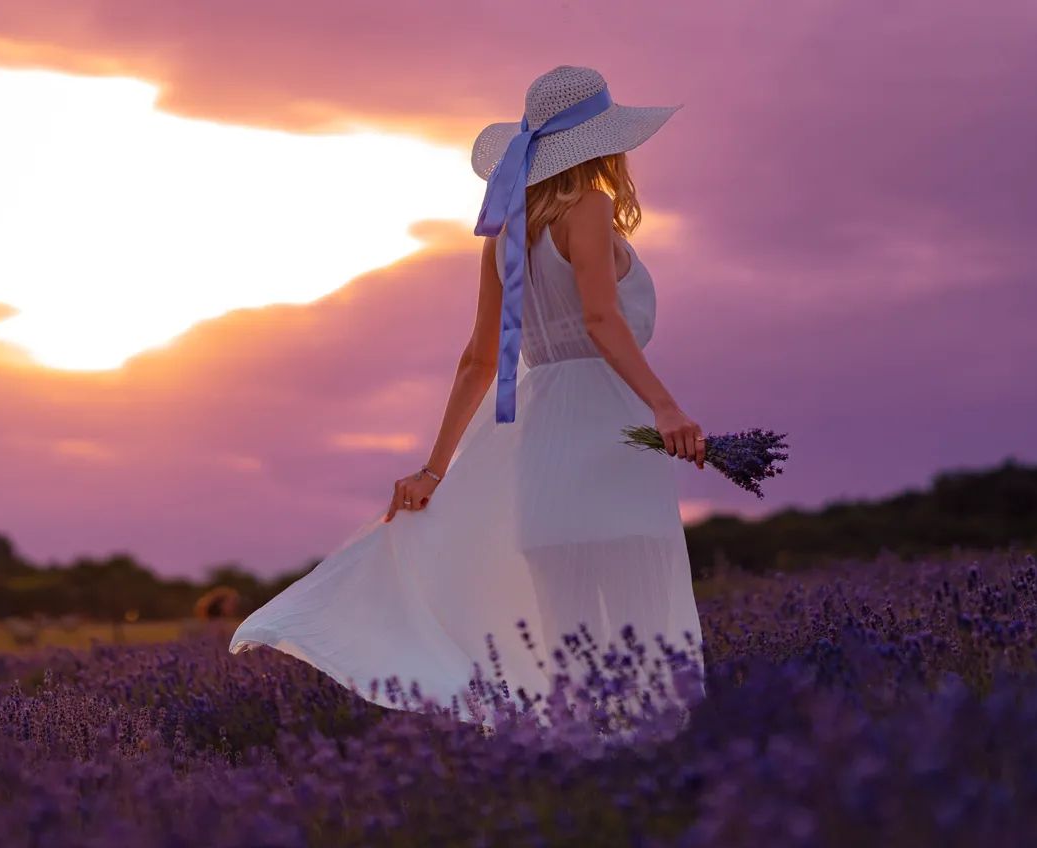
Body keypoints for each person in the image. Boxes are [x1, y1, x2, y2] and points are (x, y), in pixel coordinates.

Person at [231, 66, 706, 724]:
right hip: (609, 431)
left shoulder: (507, 232)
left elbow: (479, 361)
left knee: (565, 648)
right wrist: (665, 406)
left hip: (541, 445)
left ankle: (574, 764)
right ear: (603, 143)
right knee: (640, 636)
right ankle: (650, 765)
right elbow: (602, 320)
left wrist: (434, 470)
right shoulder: (590, 207)